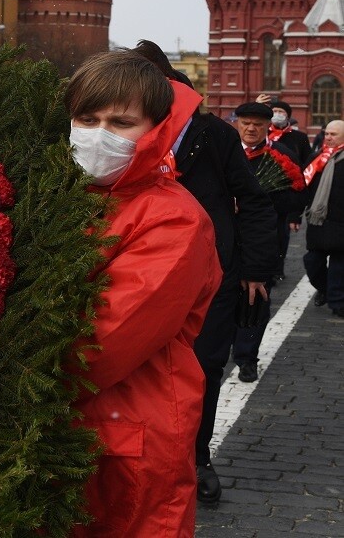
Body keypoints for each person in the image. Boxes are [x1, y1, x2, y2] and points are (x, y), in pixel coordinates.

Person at [65, 50, 221, 537]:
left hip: (131, 435)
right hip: (72, 431)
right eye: (87, 119)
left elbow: (100, 346)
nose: (98, 134)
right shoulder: (64, 195)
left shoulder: (174, 218)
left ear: (156, 128)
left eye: (121, 122)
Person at [131, 40, 277, 506]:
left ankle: (197, 458)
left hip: (210, 271)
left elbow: (252, 199)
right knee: (140, 366)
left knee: (204, 367)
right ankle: (141, 458)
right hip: (142, 271)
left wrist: (255, 270)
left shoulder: (214, 134)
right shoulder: (124, 131)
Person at [230, 102, 306, 382]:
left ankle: (247, 357)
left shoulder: (280, 155)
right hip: (222, 241)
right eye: (246, 123)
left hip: (263, 241)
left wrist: (259, 201)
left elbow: (297, 196)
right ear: (237, 123)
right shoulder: (223, 152)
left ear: (267, 127)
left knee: (256, 298)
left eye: (258, 125)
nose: (251, 129)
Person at [302, 119, 344, 316]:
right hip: (318, 221)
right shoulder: (318, 157)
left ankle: (337, 303)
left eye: (333, 135)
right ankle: (326, 291)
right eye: (326, 134)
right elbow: (304, 187)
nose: (328, 138)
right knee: (312, 262)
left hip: (340, 223)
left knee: (339, 265)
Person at [255, 94, 312, 164]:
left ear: (288, 116)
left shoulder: (300, 137)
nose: (277, 114)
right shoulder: (264, 133)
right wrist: (256, 106)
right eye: (274, 111)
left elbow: (307, 160)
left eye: (280, 111)